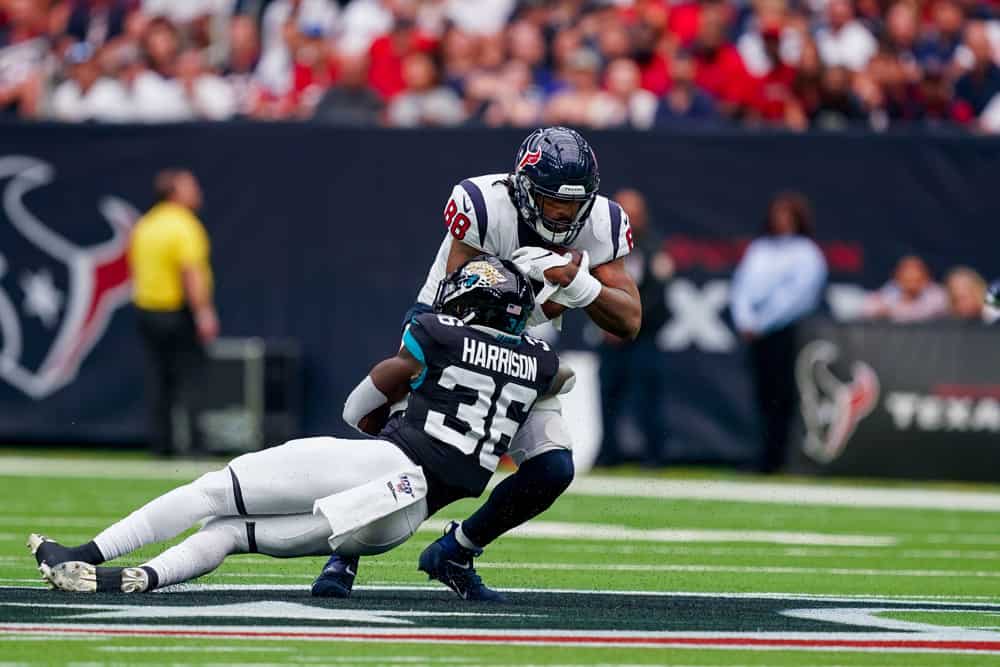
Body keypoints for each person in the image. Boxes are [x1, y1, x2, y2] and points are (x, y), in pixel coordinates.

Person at [29, 257, 572, 595]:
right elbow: (556, 376)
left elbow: (356, 408)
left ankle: (84, 556)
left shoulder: (439, 334)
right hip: (399, 521)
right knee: (233, 536)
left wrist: (408, 381)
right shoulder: (543, 363)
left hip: (385, 465)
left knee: (214, 492)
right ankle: (140, 579)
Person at [312, 126, 641, 601]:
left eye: (573, 203)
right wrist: (529, 287)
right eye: (552, 201)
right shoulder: (483, 203)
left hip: (523, 346)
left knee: (553, 470)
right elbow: (461, 301)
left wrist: (575, 282)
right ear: (525, 189)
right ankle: (344, 553)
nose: (564, 214)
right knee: (410, 456)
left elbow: (629, 320)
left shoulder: (604, 220)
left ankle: (457, 550)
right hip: (449, 328)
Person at [730, 192, 827, 473]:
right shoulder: (759, 249)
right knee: (762, 394)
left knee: (783, 395)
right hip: (755, 334)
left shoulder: (807, 253)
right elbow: (742, 287)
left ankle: (781, 457)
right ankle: (762, 455)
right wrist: (745, 320)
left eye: (787, 215)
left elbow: (796, 297)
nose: (780, 220)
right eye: (777, 214)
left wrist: (763, 323)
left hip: (786, 333)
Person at [128, 169, 219, 457]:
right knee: (191, 378)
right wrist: (203, 312)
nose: (197, 192)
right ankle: (195, 444)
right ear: (174, 193)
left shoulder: (146, 224)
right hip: (176, 311)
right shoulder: (183, 226)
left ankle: (162, 444)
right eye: (190, 187)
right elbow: (190, 272)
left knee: (158, 379)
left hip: (146, 310)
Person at [595, 188, 672, 467]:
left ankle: (653, 455)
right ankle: (608, 452)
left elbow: (658, 295)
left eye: (633, 213)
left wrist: (629, 322)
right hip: (610, 336)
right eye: (623, 212)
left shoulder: (653, 247)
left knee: (647, 398)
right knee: (608, 396)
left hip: (643, 335)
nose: (628, 218)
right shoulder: (603, 247)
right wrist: (607, 323)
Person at [861, 255, 948, 323]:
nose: (912, 285)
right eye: (907, 280)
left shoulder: (936, 294)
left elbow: (930, 311)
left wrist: (895, 311)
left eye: (916, 280)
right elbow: (868, 308)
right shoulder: (890, 291)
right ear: (897, 278)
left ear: (925, 279)